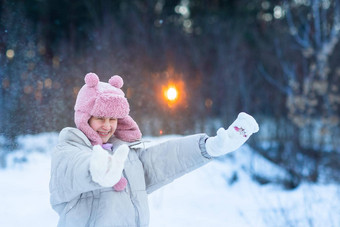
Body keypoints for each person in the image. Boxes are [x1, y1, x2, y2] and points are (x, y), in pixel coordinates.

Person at [49, 72, 259, 227]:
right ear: (85, 118)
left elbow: (165, 159)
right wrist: (96, 170)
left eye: (112, 118)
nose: (107, 125)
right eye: (100, 118)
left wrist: (208, 147)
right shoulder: (70, 147)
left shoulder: (126, 153)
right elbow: (71, 169)